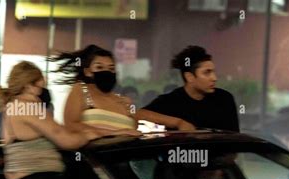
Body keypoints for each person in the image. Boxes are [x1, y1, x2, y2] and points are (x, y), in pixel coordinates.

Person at [0, 61, 116, 179]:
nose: (43, 93)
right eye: (41, 87)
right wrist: (90, 134)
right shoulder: (29, 107)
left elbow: (58, 133)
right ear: (29, 85)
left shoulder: (12, 107)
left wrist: (110, 131)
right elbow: (66, 139)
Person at [50, 45, 194, 133]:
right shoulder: (80, 90)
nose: (106, 72)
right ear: (88, 71)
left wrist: (178, 123)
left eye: (111, 68)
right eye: (99, 67)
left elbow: (134, 130)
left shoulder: (125, 102)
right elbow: (71, 126)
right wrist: (114, 133)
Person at [142, 45, 240, 132]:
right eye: (207, 72)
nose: (214, 78)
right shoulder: (171, 101)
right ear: (190, 77)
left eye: (214, 72)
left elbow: (235, 140)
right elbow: (139, 115)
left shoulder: (224, 99)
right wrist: (178, 123)